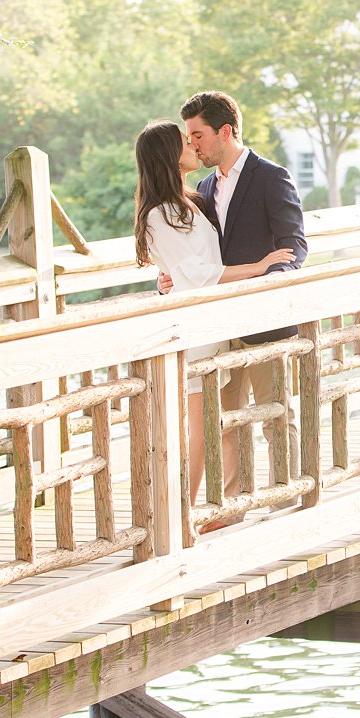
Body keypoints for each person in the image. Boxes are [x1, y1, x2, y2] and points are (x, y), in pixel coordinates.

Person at [133, 120, 294, 504]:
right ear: (167, 156)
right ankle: (180, 512)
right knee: (202, 429)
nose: (192, 144)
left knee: (216, 424)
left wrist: (170, 275)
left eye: (195, 136)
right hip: (197, 329)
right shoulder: (159, 214)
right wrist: (258, 266)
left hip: (220, 324)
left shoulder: (193, 198)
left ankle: (202, 507)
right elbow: (195, 272)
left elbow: (192, 263)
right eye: (184, 140)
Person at [167, 90, 309, 499]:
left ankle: (288, 497)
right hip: (220, 324)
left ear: (224, 131)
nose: (192, 144)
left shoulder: (271, 176)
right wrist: (174, 277)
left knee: (276, 416)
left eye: (197, 135)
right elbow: (203, 253)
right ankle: (236, 504)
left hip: (267, 318)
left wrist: (271, 279)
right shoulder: (204, 185)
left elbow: (294, 245)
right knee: (228, 420)